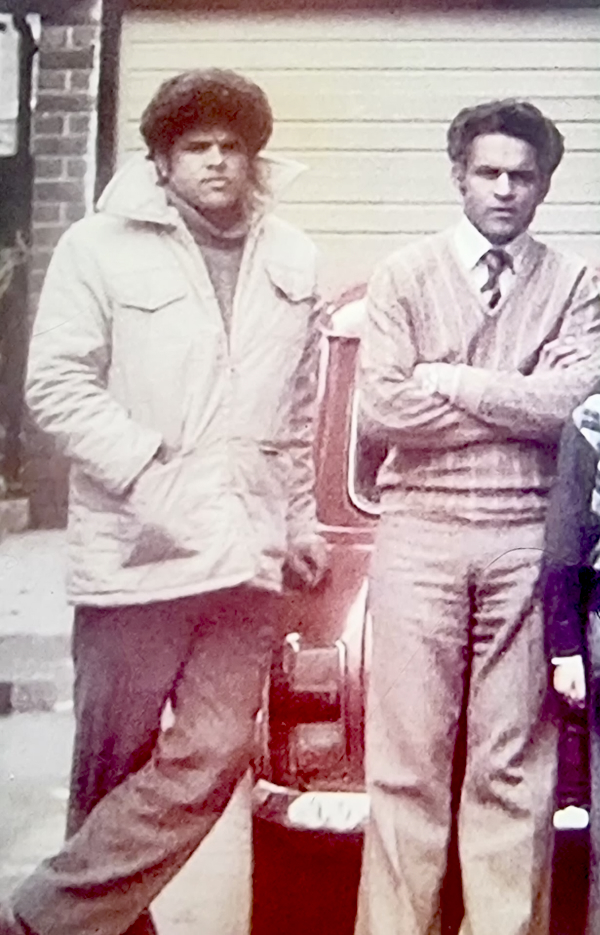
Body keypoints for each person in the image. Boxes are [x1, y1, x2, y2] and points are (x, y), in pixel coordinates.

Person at [0, 69, 327, 935]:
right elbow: (56, 386)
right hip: (136, 550)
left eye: (232, 147)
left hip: (247, 553)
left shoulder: (293, 256)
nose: (217, 163)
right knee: (112, 772)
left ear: (253, 156)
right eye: (197, 148)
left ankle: (35, 920)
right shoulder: (96, 247)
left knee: (216, 753)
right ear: (161, 157)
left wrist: (297, 518)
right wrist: (152, 470)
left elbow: (296, 412)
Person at [354, 98, 600, 935]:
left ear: (544, 187)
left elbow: (572, 403)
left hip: (525, 536)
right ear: (459, 176)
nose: (505, 189)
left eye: (523, 177)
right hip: (418, 530)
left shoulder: (576, 282)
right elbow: (383, 407)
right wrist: (519, 400)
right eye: (488, 173)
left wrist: (452, 381)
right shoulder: (402, 275)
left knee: (512, 768)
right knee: (405, 767)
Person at [541, 389, 600, 934]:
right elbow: (565, 537)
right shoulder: (591, 417)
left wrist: (566, 646)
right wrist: (567, 644)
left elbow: (565, 538)